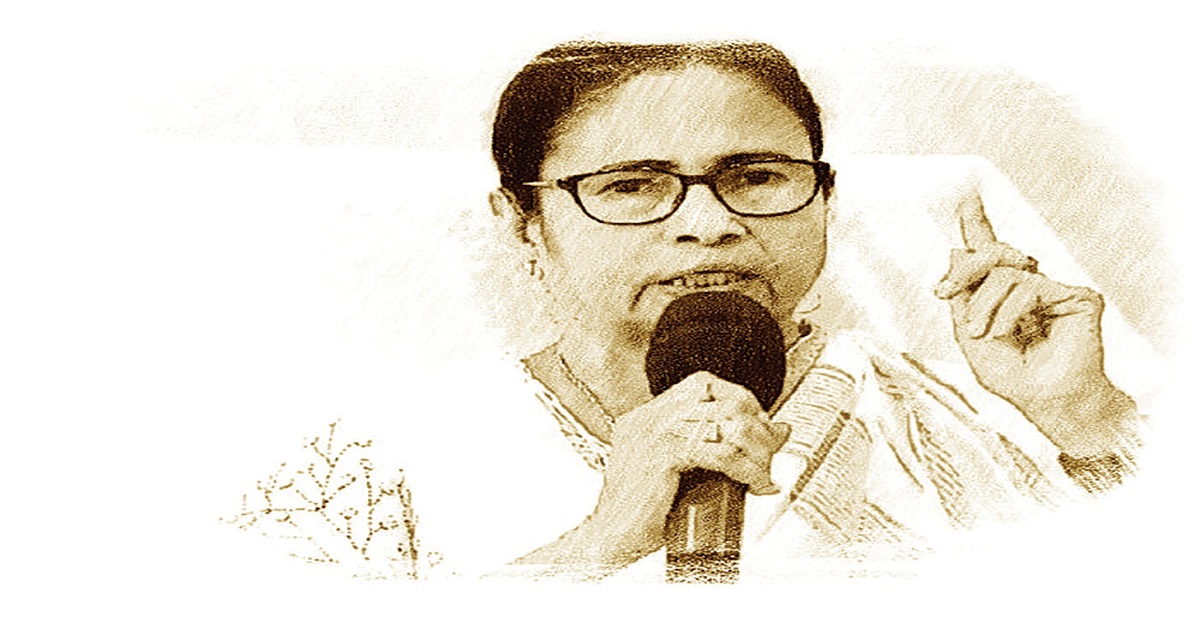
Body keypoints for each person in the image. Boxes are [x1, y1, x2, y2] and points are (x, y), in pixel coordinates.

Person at [473, 41, 1144, 580]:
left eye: (758, 177)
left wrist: (1083, 414)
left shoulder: (943, 409)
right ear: (521, 223)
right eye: (630, 186)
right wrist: (598, 547)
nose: (709, 224)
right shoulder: (426, 448)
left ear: (826, 197)